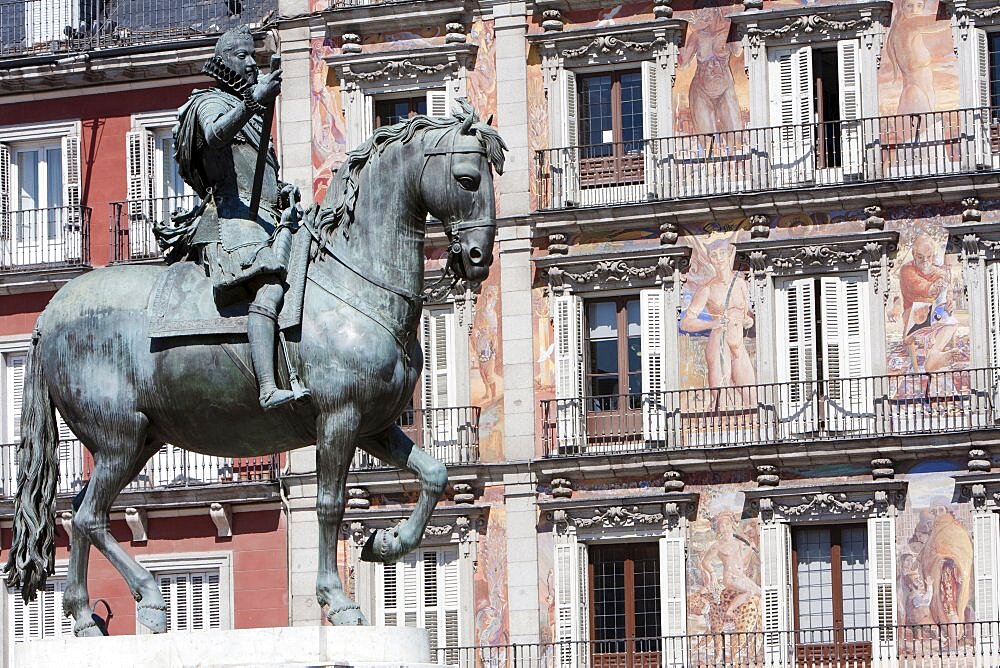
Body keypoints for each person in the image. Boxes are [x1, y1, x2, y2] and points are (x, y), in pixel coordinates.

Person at [157, 25, 308, 410]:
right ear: (223, 61)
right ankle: (267, 387)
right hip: (230, 219)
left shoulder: (253, 115)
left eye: (252, 56)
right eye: (242, 56)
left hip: (266, 217)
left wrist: (283, 190)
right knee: (270, 287)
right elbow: (214, 136)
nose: (250, 63)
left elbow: (257, 170)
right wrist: (253, 101)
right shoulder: (208, 101)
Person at [680, 242, 756, 407]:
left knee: (752, 399)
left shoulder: (741, 284)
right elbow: (685, 323)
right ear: (709, 260)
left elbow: (747, 315)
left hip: (738, 344)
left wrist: (748, 320)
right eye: (714, 255)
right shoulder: (706, 289)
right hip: (719, 343)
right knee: (722, 402)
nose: (719, 258)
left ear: (729, 255)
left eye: (722, 253)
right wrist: (712, 323)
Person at [898, 234, 961, 373]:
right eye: (920, 257)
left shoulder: (936, 270)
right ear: (914, 254)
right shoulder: (906, 270)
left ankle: (934, 355)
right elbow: (921, 286)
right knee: (910, 335)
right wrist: (934, 287)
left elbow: (945, 285)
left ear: (933, 255)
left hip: (934, 313)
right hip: (913, 315)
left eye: (929, 256)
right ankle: (929, 360)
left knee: (952, 322)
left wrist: (949, 299)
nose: (925, 261)